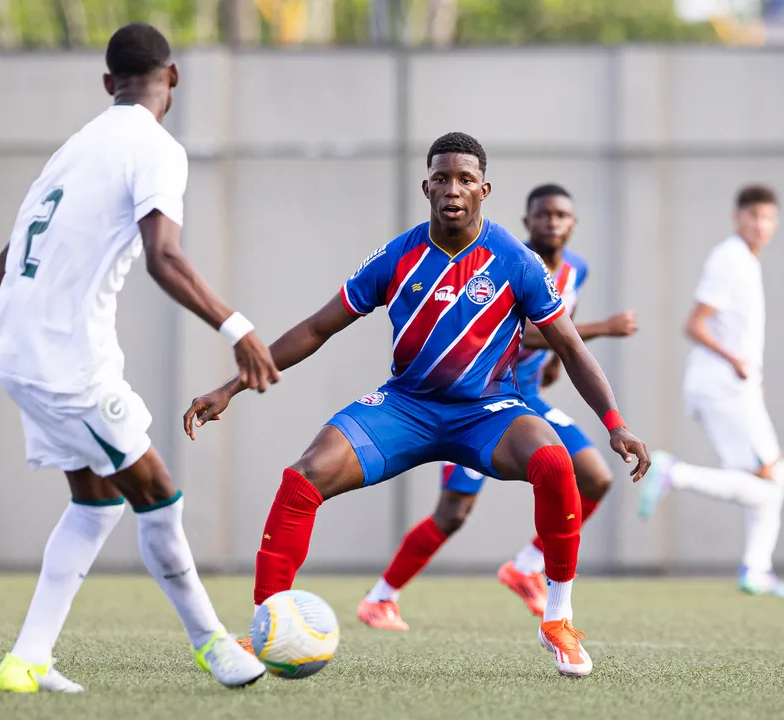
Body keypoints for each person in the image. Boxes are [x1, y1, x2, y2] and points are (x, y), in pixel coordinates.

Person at [182, 133, 651, 677]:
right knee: (302, 478)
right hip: (404, 407)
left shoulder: (516, 261)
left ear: (484, 189)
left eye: (466, 179)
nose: (454, 189)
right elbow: (316, 327)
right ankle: (266, 626)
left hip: (488, 412)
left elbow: (569, 345)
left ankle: (558, 620)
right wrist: (230, 387)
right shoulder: (396, 256)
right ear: (426, 186)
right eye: (443, 178)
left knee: (555, 463)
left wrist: (615, 424)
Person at [0, 23, 279, 693]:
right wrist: (239, 329)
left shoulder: (75, 147)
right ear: (171, 78)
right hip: (69, 366)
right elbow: (164, 257)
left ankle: (26, 660)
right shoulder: (156, 149)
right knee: (157, 495)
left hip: (25, 351)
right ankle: (212, 645)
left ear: (107, 83)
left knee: (94, 503)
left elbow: (9, 253)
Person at [355, 184, 639, 630]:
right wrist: (602, 328)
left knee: (596, 477)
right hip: (485, 401)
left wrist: (552, 369)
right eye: (542, 215)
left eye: (561, 215)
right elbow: (531, 328)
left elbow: (551, 338)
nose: (552, 223)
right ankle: (380, 597)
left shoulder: (576, 270)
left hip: (530, 401)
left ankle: (526, 565)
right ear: (528, 223)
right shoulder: (505, 260)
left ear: (573, 223)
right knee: (453, 514)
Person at [637, 184, 784, 598]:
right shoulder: (730, 259)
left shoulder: (746, 261)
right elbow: (695, 324)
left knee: (767, 485)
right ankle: (674, 473)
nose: (760, 225)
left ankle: (757, 570)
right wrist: (736, 362)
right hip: (722, 387)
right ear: (737, 217)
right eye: (752, 216)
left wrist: (751, 377)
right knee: (774, 477)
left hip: (734, 389)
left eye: (768, 218)